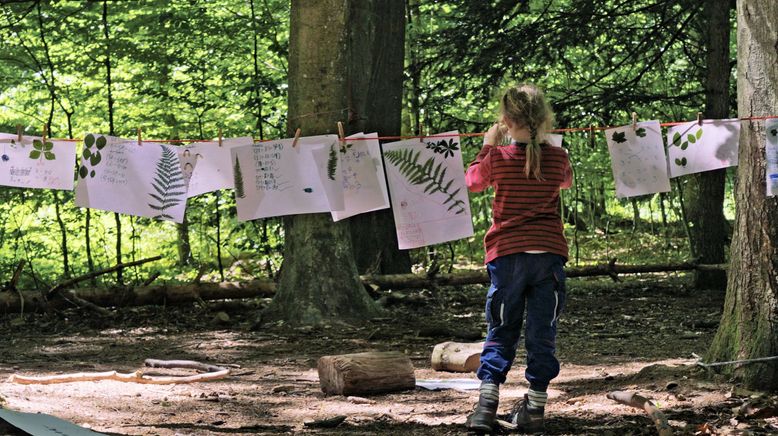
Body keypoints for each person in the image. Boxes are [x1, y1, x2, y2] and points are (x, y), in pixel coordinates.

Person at [465, 83, 572, 434]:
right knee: (543, 332)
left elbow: (473, 181)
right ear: (544, 120)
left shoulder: (497, 157)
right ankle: (535, 409)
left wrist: (487, 144)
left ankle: (485, 407)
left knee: (501, 329)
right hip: (548, 256)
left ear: (506, 121)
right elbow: (566, 182)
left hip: (507, 255)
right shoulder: (558, 157)